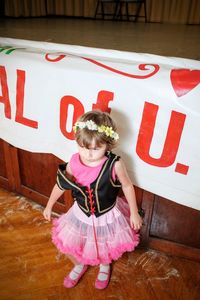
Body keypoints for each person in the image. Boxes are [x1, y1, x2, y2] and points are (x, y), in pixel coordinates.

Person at [43, 110, 143, 289]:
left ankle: (104, 265)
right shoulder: (74, 162)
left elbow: (127, 186)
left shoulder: (115, 164)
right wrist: (49, 205)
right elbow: (60, 184)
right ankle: (80, 264)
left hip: (107, 215)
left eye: (96, 148)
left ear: (108, 144)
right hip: (81, 214)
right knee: (81, 242)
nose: (88, 153)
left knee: (105, 242)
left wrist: (134, 213)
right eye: (82, 146)